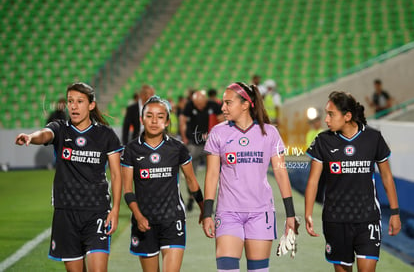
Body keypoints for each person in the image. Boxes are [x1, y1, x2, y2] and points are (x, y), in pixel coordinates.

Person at [15, 82, 123, 272]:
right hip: (66, 213)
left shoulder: (106, 135)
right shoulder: (60, 128)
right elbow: (45, 134)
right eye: (70, 101)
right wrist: (31, 138)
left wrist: (115, 209)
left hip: (96, 211)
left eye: (80, 101)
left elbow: (116, 173)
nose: (73, 106)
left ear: (91, 105)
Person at [202, 82, 298, 272]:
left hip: (260, 213)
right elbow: (212, 174)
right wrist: (207, 213)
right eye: (223, 102)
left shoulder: (269, 132)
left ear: (245, 104)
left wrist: (290, 214)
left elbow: (280, 172)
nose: (222, 107)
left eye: (228, 103)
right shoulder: (218, 132)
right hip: (228, 212)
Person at [305, 91, 401, 272]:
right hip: (335, 220)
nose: (326, 119)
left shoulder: (373, 138)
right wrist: (308, 213)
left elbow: (387, 177)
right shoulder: (323, 141)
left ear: (347, 116)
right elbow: (313, 181)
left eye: (331, 114)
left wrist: (395, 213)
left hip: (368, 218)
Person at [121, 96, 204, 272]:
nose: (154, 121)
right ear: (142, 119)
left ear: (166, 122)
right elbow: (127, 189)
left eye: (160, 116)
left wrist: (204, 210)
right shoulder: (131, 149)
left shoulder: (177, 148)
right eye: (149, 116)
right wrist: (138, 215)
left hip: (172, 220)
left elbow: (191, 180)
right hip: (144, 222)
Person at [179, 90, 224, 211]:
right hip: (194, 145)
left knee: (215, 173)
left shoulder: (213, 105)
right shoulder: (189, 106)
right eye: (197, 104)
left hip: (210, 144)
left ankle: (216, 202)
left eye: (201, 104)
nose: (199, 107)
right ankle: (191, 198)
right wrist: (184, 137)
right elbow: (182, 121)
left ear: (205, 100)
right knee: (190, 174)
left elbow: (222, 121)